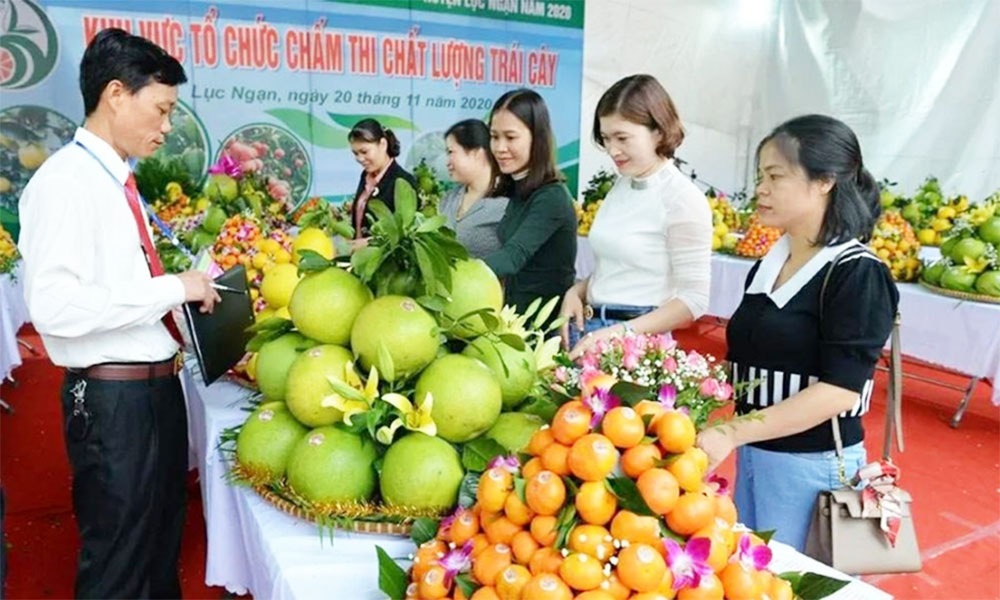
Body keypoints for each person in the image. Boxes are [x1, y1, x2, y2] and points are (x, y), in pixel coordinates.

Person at [17, 28, 219, 598]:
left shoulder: (117, 181)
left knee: (159, 551)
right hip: (113, 404)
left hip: (154, 394)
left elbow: (121, 287)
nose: (166, 126)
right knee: (119, 563)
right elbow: (56, 308)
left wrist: (186, 297)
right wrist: (170, 289)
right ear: (115, 94)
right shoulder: (65, 182)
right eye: (160, 109)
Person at [695, 114, 899, 552]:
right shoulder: (768, 266)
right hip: (756, 455)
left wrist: (732, 433)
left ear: (824, 181)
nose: (761, 189)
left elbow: (841, 391)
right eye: (760, 177)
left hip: (815, 467)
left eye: (775, 176)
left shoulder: (857, 272)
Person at [560, 74, 712, 355]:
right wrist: (577, 291)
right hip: (592, 329)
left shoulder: (682, 198)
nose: (612, 150)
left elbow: (694, 300)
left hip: (636, 343)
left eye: (622, 138)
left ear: (659, 131)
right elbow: (623, 266)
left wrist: (619, 333)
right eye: (605, 138)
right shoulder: (622, 184)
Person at [482, 89, 577, 314]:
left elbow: (513, 257)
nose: (500, 148)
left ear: (537, 138)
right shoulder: (520, 190)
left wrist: (456, 273)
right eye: (494, 137)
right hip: (516, 320)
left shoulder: (551, 196)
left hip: (545, 328)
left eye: (511, 137)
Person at [438, 119, 509, 258]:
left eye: (451, 152)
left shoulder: (506, 203)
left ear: (477, 154)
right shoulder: (449, 199)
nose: (447, 162)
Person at [348, 118, 417, 250]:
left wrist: (369, 242)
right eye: (355, 153)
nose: (359, 159)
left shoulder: (403, 181)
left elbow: (407, 233)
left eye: (364, 152)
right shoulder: (365, 176)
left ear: (383, 144)